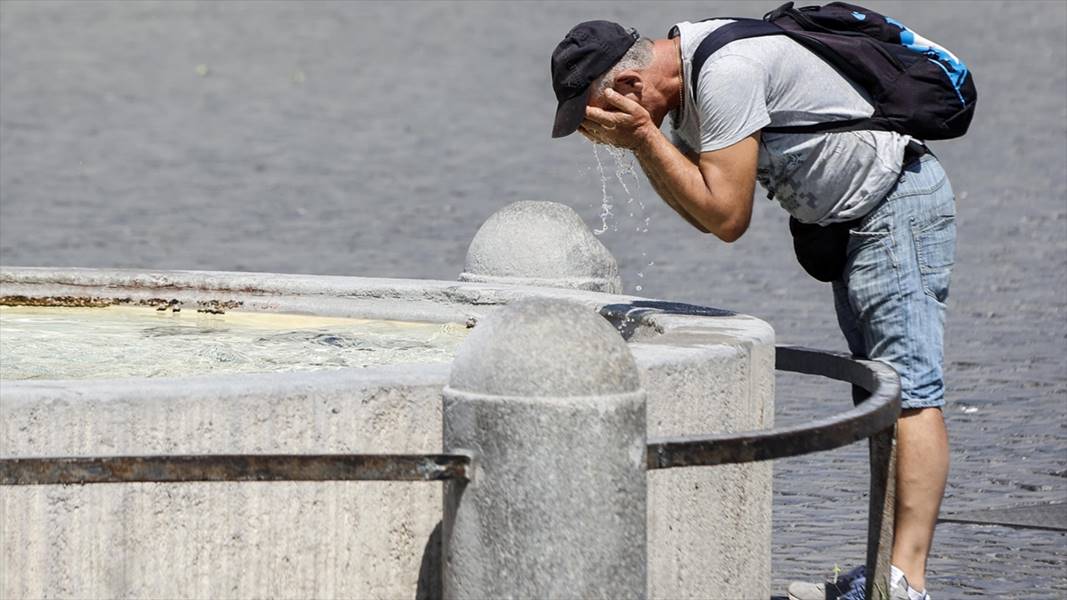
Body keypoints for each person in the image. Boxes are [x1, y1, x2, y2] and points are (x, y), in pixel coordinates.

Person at [550, 17, 957, 600]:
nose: (596, 133)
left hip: (895, 207)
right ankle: (886, 575)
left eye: (595, 113)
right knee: (880, 396)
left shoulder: (725, 74)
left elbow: (727, 216)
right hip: (860, 222)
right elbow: (707, 207)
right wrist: (650, 141)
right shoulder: (690, 81)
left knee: (909, 393)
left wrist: (644, 139)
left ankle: (906, 584)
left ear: (631, 86)